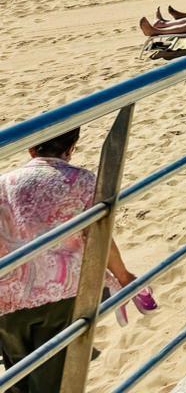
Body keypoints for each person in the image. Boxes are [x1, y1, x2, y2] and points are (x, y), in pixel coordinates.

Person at [0, 129, 140, 392]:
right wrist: (123, 276)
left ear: (31, 149)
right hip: (60, 295)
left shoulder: (4, 183)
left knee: (18, 379)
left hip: (7, 299)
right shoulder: (83, 181)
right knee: (52, 381)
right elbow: (101, 238)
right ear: (72, 148)